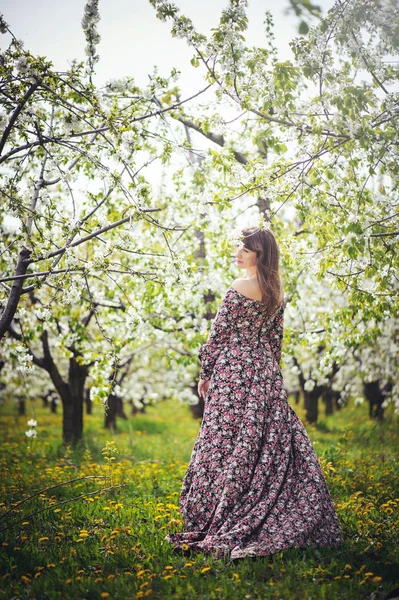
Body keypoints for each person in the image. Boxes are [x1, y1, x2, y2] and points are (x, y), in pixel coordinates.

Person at [164, 225, 342, 561]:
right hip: (263, 373)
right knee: (261, 444)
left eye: (245, 249)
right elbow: (276, 343)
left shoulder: (237, 288)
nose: (238, 254)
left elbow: (218, 335)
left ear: (260, 254)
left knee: (225, 442)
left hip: (233, 372)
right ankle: (264, 506)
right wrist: (271, 380)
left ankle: (218, 509)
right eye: (239, 248)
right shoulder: (277, 292)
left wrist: (205, 375)